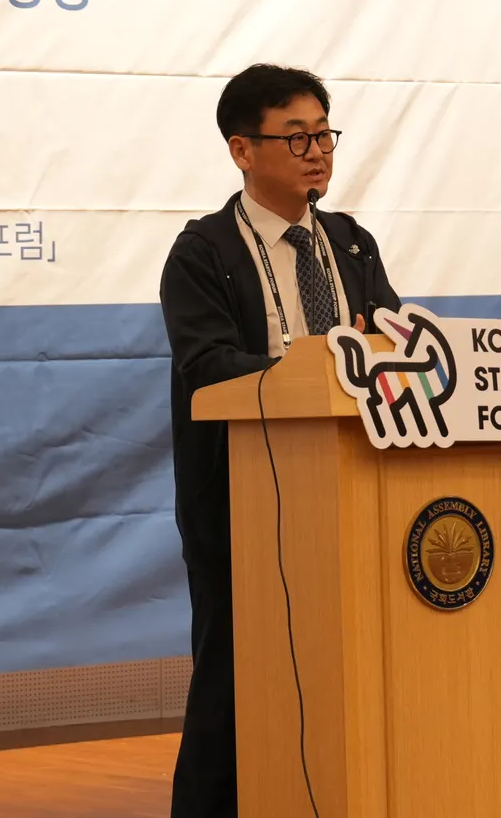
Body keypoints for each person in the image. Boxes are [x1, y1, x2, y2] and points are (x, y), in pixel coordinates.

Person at [159, 64, 401, 818]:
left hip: (350, 489)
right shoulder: (203, 250)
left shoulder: (350, 243)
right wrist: (310, 367)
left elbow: (389, 347)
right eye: (296, 137)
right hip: (243, 497)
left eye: (325, 134)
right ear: (242, 149)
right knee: (234, 675)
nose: (317, 151)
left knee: (343, 666)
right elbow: (206, 365)